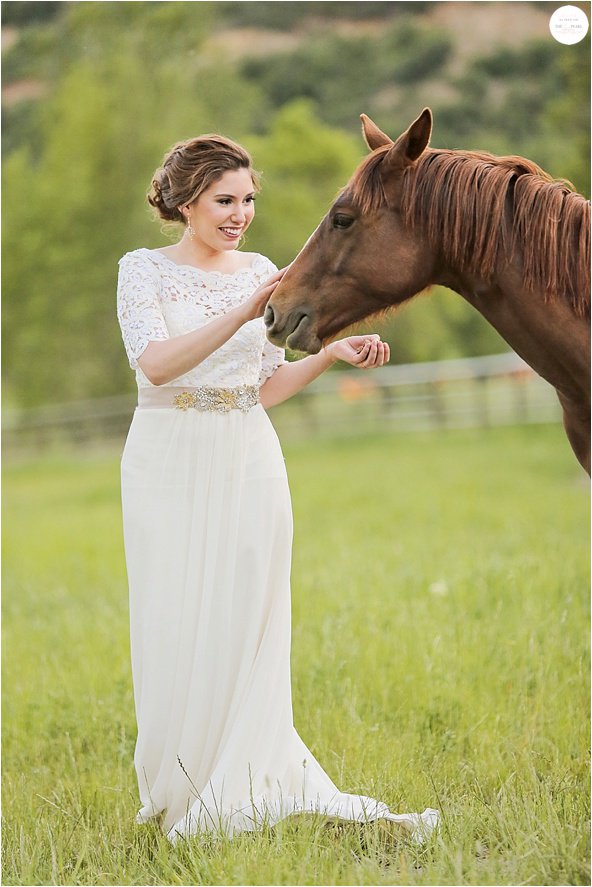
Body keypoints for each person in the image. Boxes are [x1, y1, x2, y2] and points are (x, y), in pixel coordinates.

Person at [117, 133, 439, 844]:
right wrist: (241, 312)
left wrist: (329, 355)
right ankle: (182, 784)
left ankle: (248, 777)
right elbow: (157, 366)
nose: (241, 214)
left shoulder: (263, 270)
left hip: (248, 457)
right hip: (166, 460)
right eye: (224, 201)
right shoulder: (142, 270)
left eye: (248, 200)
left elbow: (262, 389)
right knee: (175, 620)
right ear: (185, 202)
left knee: (250, 619)